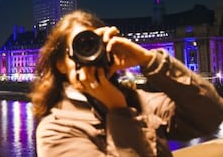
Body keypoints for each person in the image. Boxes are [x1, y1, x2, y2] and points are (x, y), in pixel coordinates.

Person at [30, 9, 223, 156]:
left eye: (94, 45)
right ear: (60, 64)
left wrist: (148, 59)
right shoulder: (54, 131)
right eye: (81, 47)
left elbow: (211, 115)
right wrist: (119, 111)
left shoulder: (141, 101)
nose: (88, 54)